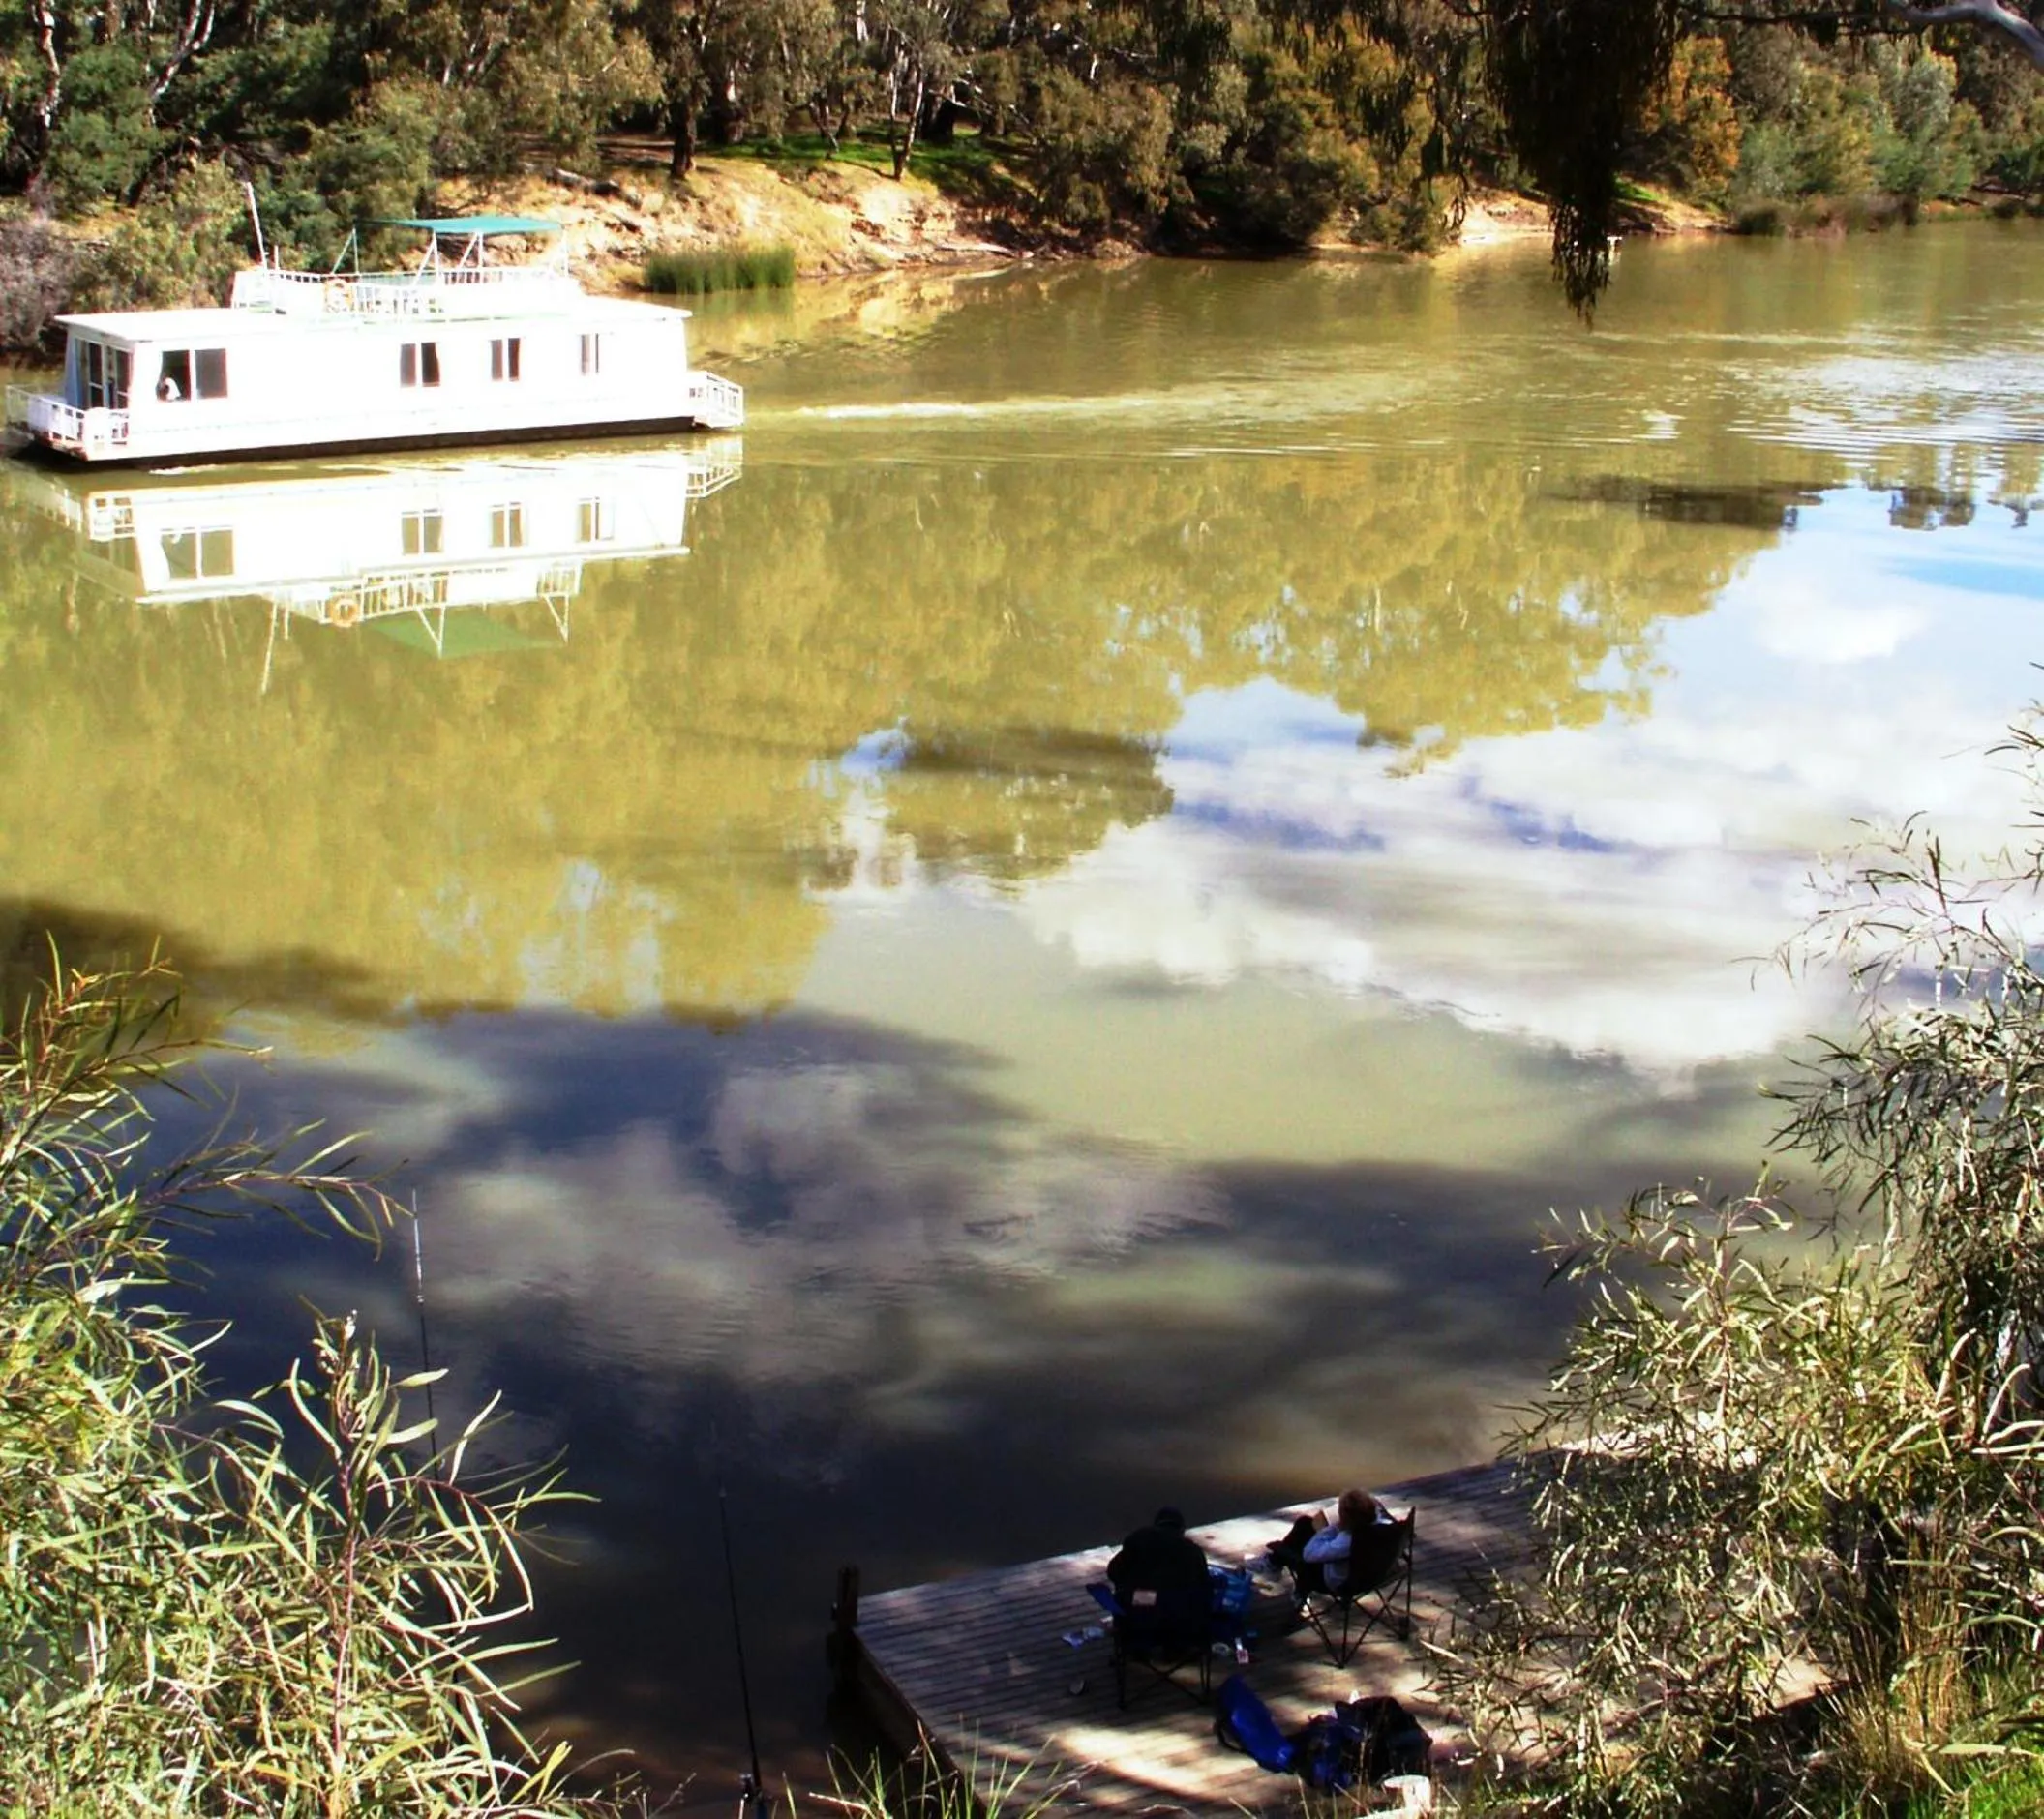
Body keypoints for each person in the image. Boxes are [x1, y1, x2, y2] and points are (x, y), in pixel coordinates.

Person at [1266, 1488, 1386, 1595]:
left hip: (1338, 1582)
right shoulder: (1379, 1528)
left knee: (1299, 1544)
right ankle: (1275, 1563)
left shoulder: (1347, 1542)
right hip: (1370, 1574)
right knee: (1305, 1523)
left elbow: (1309, 1554)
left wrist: (1334, 1527)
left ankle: (1278, 1566)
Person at [1106, 1505, 1210, 1618]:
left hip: (1139, 1606)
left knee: (1125, 1596)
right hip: (1176, 1612)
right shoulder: (1192, 1550)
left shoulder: (1139, 1538)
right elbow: (1204, 1587)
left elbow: (1113, 1571)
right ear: (1182, 1530)